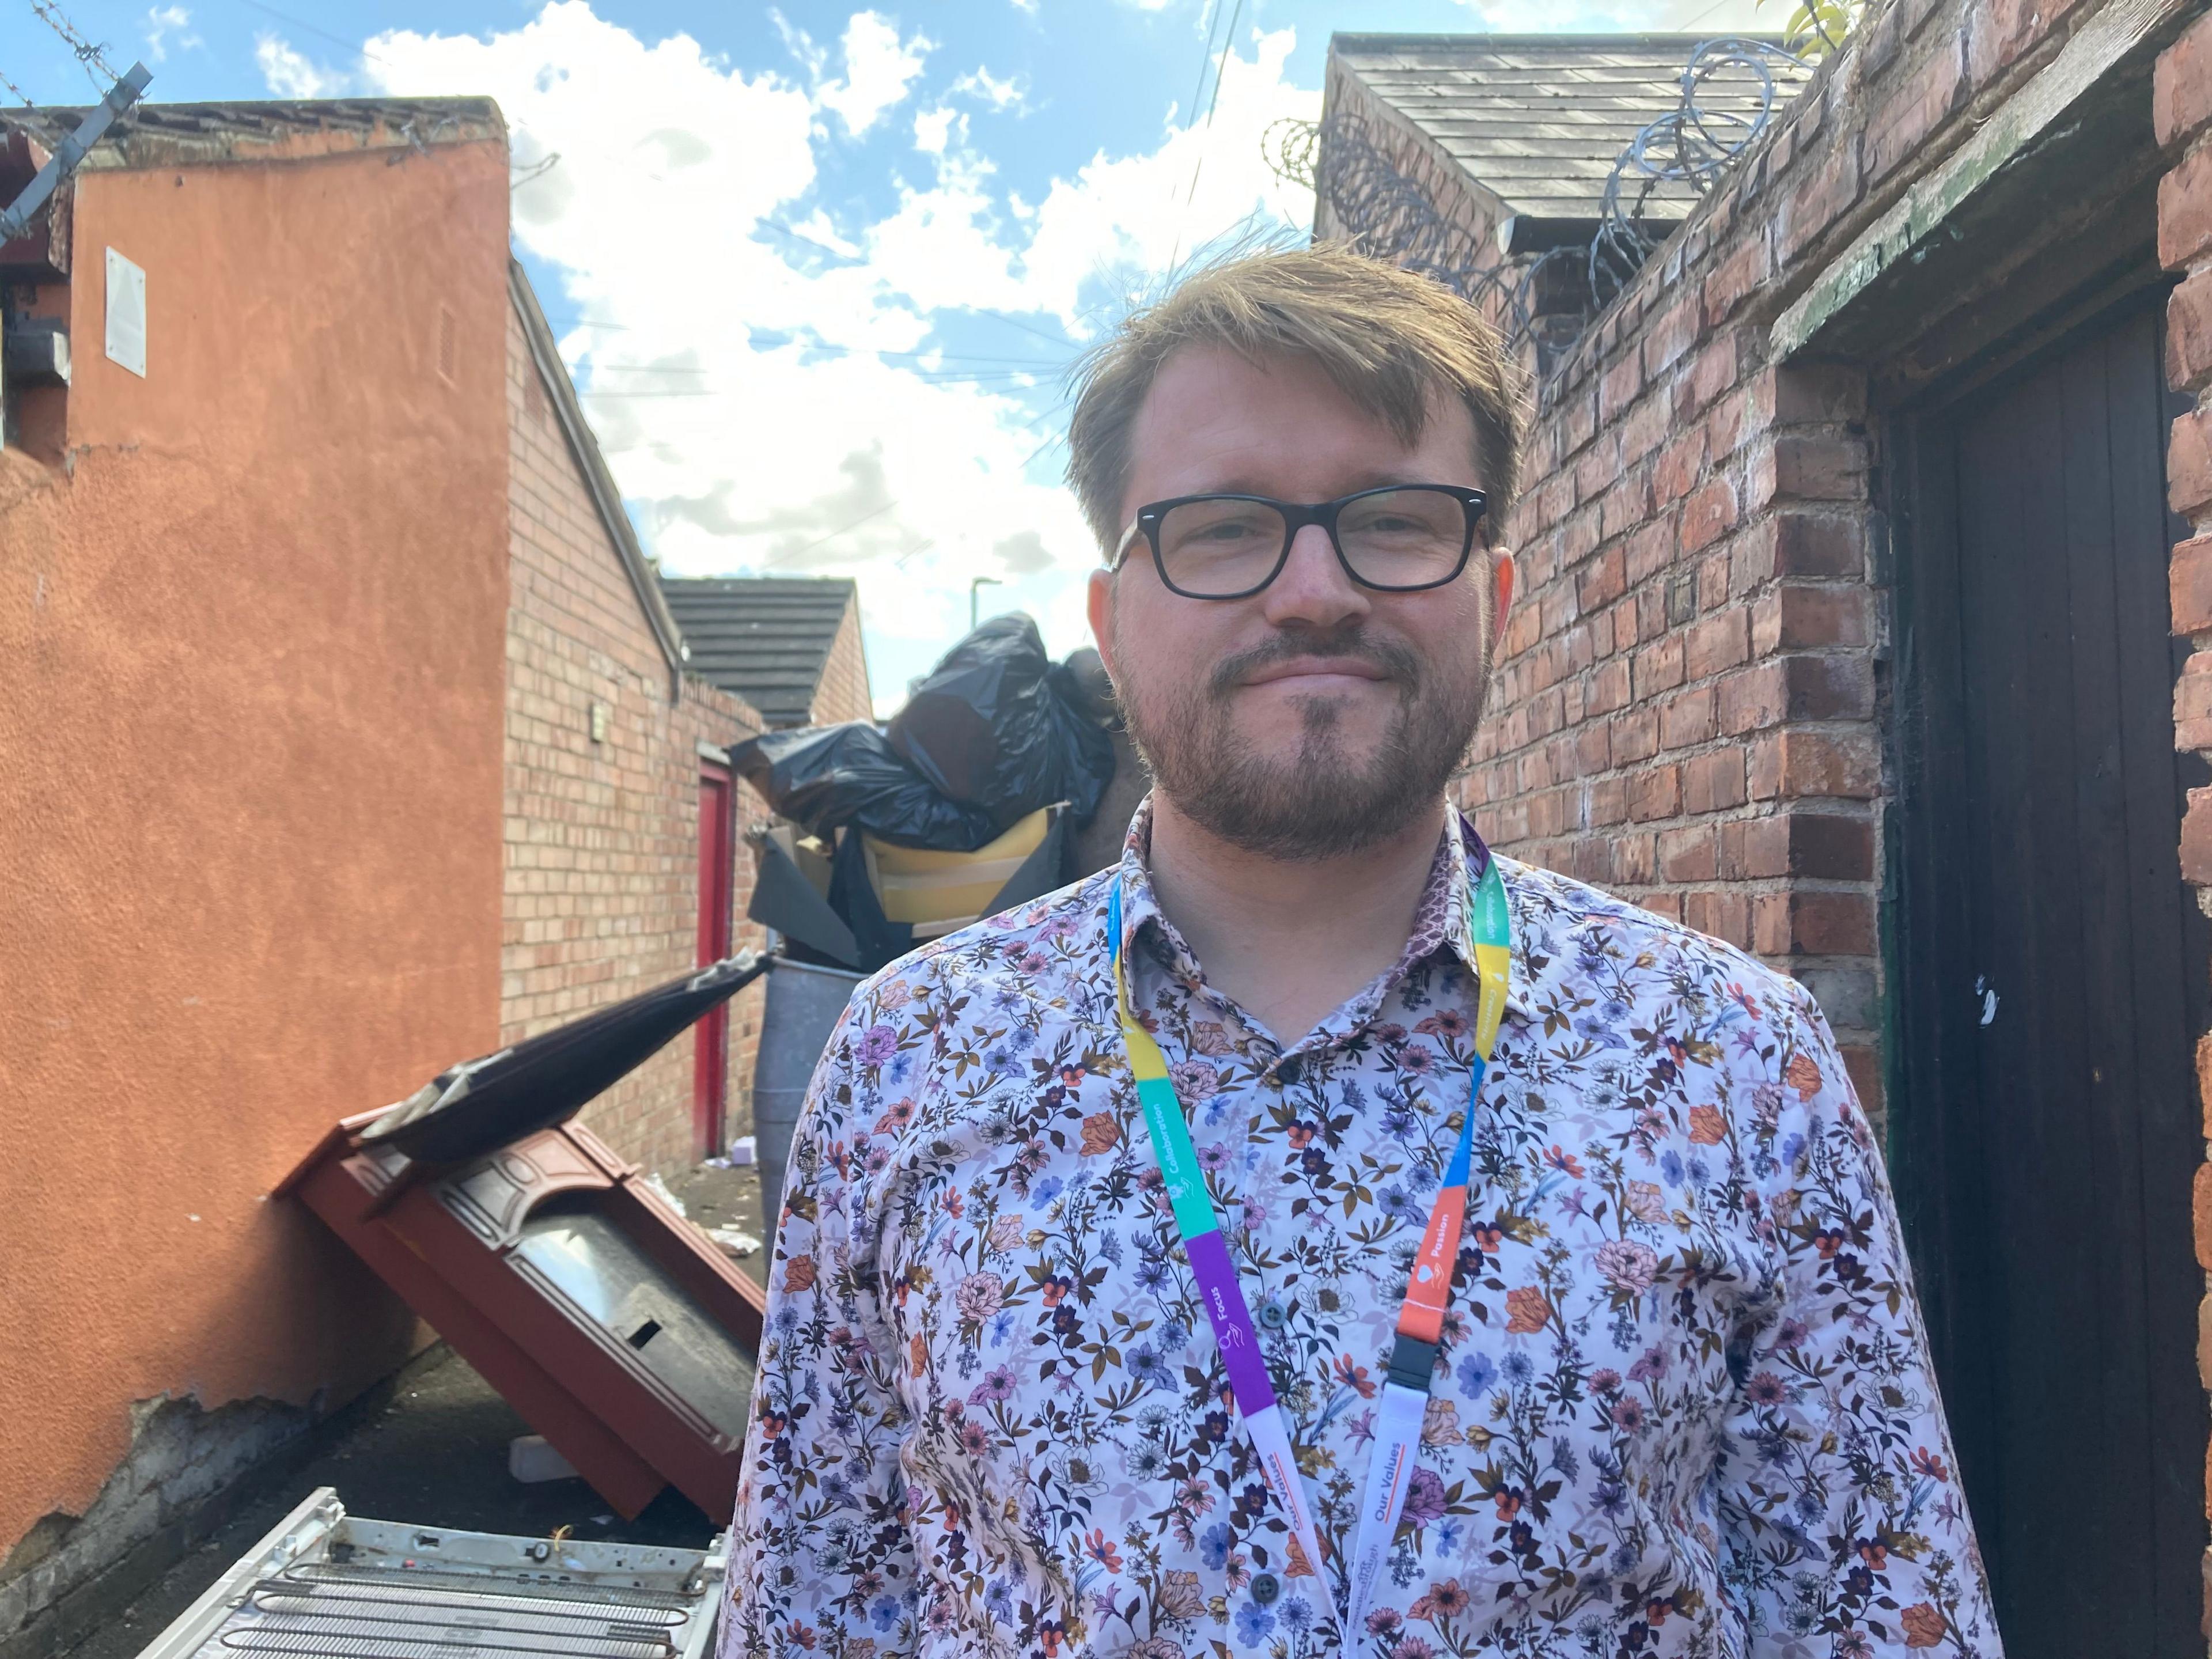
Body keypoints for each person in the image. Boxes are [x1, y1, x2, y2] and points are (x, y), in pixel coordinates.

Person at [722, 247, 1998, 1658]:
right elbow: (815, 1602)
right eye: (1219, 527)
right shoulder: (912, 1060)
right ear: (1113, 617)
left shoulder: (1736, 1062)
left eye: (1394, 521)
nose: (1316, 589)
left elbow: (1885, 1614)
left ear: (1495, 597)